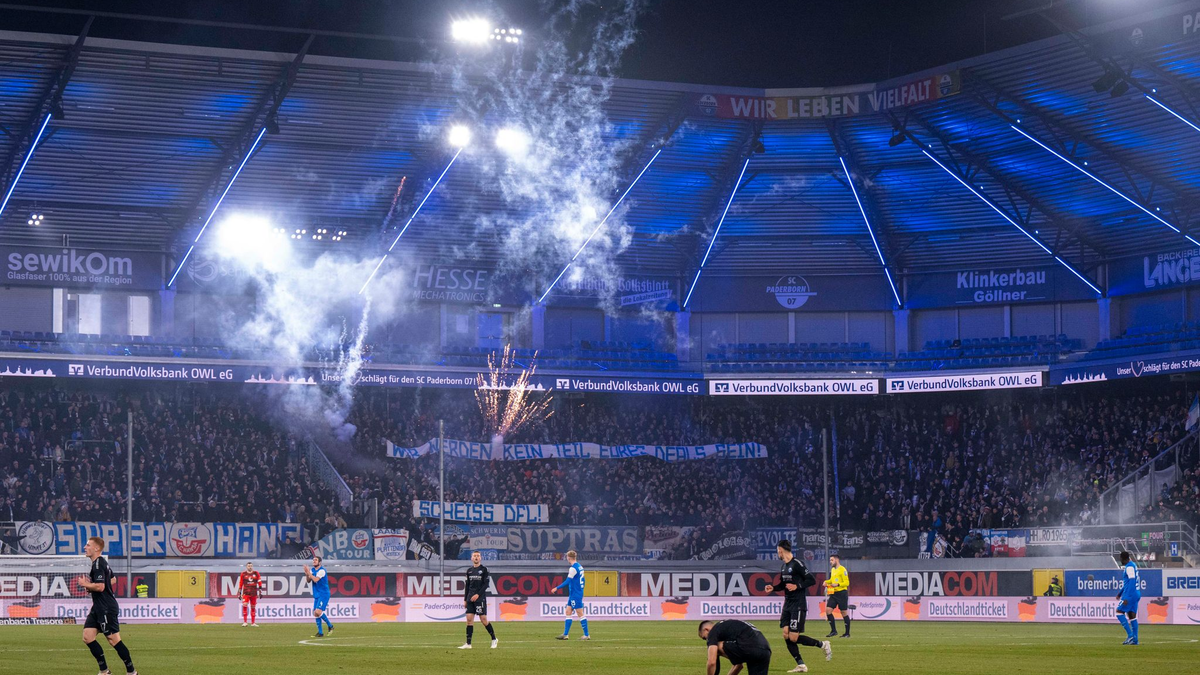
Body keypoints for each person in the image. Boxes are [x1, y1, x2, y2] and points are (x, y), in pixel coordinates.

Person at [763, 540, 830, 673]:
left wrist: (797, 586)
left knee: (793, 637)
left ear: (781, 550)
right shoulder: (784, 567)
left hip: (798, 605)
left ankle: (822, 644)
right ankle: (801, 665)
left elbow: (811, 580)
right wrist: (773, 587)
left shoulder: (797, 564)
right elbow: (782, 584)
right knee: (786, 635)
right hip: (788, 604)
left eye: (777, 551)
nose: (777, 553)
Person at [76, 536, 137, 675]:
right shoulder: (100, 563)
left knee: (113, 640)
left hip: (106, 607)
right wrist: (91, 588)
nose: (85, 547)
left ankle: (132, 672)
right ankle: (104, 671)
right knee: (88, 636)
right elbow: (113, 580)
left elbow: (101, 586)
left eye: (88, 545)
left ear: (96, 548)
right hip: (98, 607)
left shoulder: (98, 564)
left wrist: (86, 584)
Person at [698, 619, 771, 675]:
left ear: (706, 630)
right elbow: (739, 666)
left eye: (705, 638)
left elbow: (712, 662)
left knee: (715, 648)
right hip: (765, 651)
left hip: (748, 647)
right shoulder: (729, 627)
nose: (707, 640)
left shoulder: (713, 631)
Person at [458, 551, 498, 649]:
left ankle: (494, 639)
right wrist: (465, 599)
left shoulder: (484, 570)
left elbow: (486, 585)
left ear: (480, 558)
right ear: (471, 558)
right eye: (474, 556)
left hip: (480, 598)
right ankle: (468, 644)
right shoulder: (469, 571)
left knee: (483, 620)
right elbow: (467, 586)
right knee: (469, 620)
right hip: (470, 598)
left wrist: (478, 594)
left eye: (478, 556)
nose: (476, 557)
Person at [551, 550, 589, 640]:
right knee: (568, 611)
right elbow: (583, 580)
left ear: (568, 558)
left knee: (580, 613)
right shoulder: (580, 566)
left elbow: (568, 581)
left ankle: (587, 635)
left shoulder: (573, 568)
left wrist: (557, 588)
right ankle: (565, 634)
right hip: (575, 593)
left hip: (575, 594)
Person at [1116, 551, 1141, 645]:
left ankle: (1130, 635)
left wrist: (1128, 596)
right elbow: (1128, 583)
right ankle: (1135, 640)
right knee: (1132, 616)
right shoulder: (1133, 565)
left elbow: (1132, 581)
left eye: (1120, 558)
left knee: (1119, 612)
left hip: (1131, 594)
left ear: (1124, 558)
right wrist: (1120, 593)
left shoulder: (1129, 567)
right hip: (1136, 593)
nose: (1120, 560)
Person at [304, 555, 334, 637]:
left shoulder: (322, 571)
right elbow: (309, 581)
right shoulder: (313, 570)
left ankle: (330, 626)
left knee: (318, 611)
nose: (314, 561)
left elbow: (315, 579)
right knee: (315, 613)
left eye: (315, 560)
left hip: (323, 594)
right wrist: (307, 574)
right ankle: (320, 633)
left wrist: (309, 572)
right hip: (317, 594)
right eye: (313, 560)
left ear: (319, 562)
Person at [823, 554, 850, 638]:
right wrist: (826, 582)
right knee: (828, 611)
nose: (830, 562)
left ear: (836, 560)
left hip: (842, 593)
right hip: (834, 593)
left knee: (843, 613)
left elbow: (847, 582)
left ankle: (847, 633)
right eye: (830, 560)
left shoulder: (843, 570)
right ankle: (833, 631)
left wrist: (838, 584)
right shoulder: (833, 569)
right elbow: (832, 580)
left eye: (831, 560)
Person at [238, 561, 263, 627]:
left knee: (253, 607)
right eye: (249, 566)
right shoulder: (243, 574)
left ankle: (253, 623)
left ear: (252, 566)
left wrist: (260, 591)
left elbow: (259, 582)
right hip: (246, 592)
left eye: (251, 566)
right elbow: (241, 583)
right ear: (246, 567)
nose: (250, 567)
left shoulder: (256, 573)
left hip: (254, 593)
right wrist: (239, 592)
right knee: (245, 606)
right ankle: (245, 622)